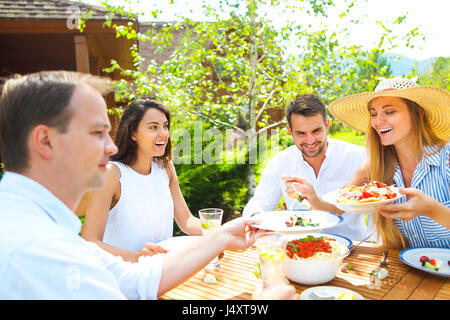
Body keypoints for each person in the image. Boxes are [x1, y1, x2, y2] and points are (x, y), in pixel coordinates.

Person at [0, 70, 298, 299]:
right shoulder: (32, 248)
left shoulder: (45, 228)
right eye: (96, 132)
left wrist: (222, 236)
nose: (110, 147)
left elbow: (136, 281)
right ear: (45, 140)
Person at [294, 77, 449, 249]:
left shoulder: (446, 157)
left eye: (389, 112)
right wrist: (313, 197)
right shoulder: (375, 164)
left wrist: (431, 208)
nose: (377, 121)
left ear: (418, 112)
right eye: (374, 114)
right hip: (410, 271)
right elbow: (336, 207)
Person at [82, 99, 202, 262]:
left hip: (161, 272)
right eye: (153, 127)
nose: (164, 134)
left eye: (165, 126)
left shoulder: (165, 167)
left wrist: (222, 233)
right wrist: (138, 257)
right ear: (133, 133)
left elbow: (186, 221)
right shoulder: (111, 174)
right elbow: (90, 243)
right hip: (123, 276)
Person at [243, 93, 371, 241]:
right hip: (299, 249)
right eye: (301, 134)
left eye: (316, 131)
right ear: (290, 131)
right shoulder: (281, 162)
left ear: (327, 125)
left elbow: (376, 214)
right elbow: (259, 203)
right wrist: (256, 218)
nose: (310, 140)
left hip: (353, 247)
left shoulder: (358, 157)